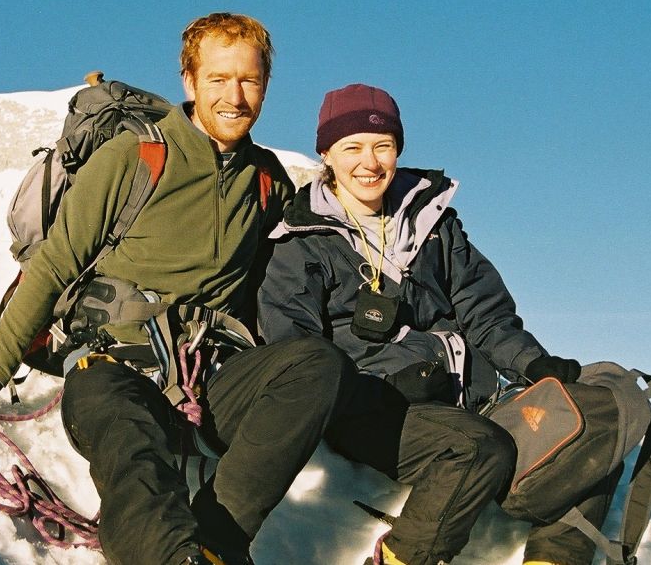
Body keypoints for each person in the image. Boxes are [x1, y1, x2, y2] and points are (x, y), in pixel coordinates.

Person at [0, 13, 353, 565]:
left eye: (250, 80)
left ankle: (217, 542)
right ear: (189, 82)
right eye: (218, 79)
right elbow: (53, 266)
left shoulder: (266, 180)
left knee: (317, 364)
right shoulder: (135, 156)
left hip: (208, 377)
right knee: (136, 457)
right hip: (112, 369)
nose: (235, 96)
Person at [258, 83, 617, 565]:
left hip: (471, 396)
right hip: (376, 410)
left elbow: (485, 313)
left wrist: (534, 363)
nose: (369, 162)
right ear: (327, 152)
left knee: (592, 425)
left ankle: (554, 559)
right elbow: (294, 348)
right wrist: (368, 391)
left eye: (382, 146)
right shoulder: (301, 240)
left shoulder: (435, 224)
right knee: (478, 449)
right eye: (352, 148)